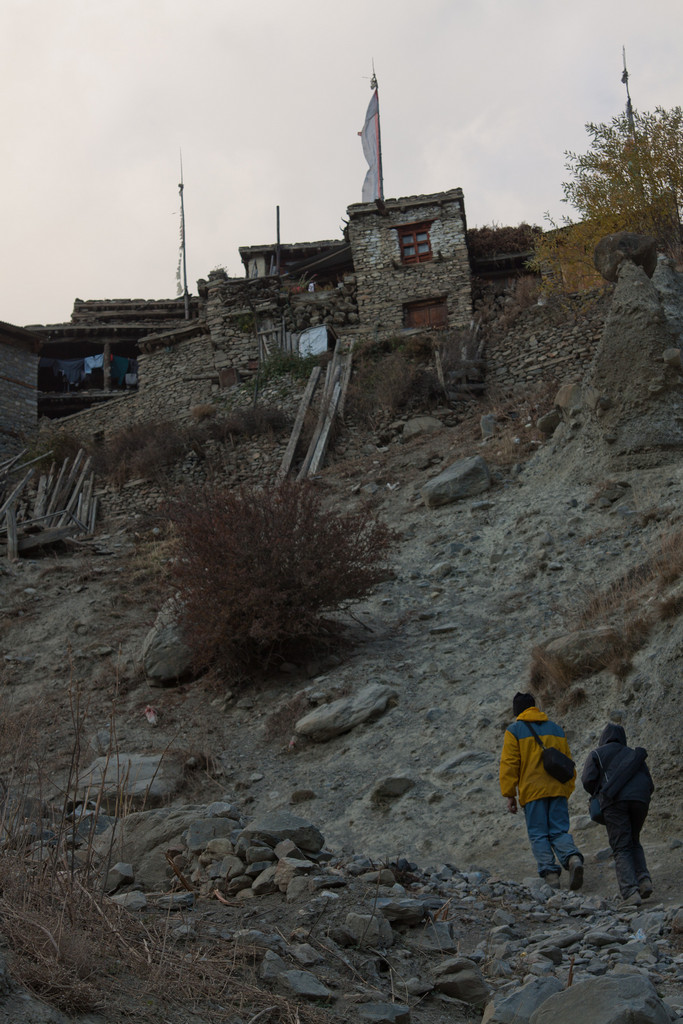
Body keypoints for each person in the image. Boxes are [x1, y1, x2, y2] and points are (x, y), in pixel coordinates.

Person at [499, 692, 584, 890]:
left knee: (538, 833)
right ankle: (572, 858)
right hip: (557, 790)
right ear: (534, 706)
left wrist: (510, 794)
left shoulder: (514, 730)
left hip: (533, 792)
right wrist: (566, 789)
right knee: (559, 830)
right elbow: (568, 762)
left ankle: (551, 875)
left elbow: (509, 764)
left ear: (516, 711)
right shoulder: (555, 728)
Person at [581, 723, 654, 907]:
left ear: (604, 738)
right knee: (634, 839)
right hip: (641, 800)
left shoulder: (597, 753)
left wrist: (599, 794)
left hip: (614, 801)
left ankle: (630, 892)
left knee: (621, 846)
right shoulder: (633, 754)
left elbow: (587, 780)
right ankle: (644, 880)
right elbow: (649, 782)